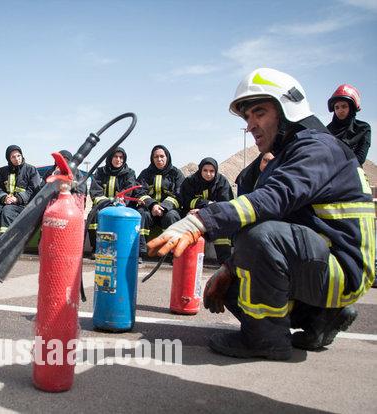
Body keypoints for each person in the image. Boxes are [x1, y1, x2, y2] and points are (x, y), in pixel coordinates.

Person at [147, 68, 374, 360]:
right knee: (228, 287)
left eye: (259, 113)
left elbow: (271, 202)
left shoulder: (317, 147)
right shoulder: (290, 153)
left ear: (287, 109)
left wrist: (199, 221)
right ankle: (320, 319)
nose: (251, 125)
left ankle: (266, 340)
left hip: (343, 270)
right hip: (317, 262)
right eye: (247, 118)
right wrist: (229, 268)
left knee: (259, 237)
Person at [180, 157, 234, 264]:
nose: (208, 174)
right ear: (200, 170)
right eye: (205, 170)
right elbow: (186, 201)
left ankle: (225, 263)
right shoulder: (190, 181)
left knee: (223, 226)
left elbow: (225, 205)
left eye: (211, 171)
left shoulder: (222, 182)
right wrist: (208, 204)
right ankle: (188, 260)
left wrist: (204, 210)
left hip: (215, 217)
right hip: (193, 215)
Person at [0, 145, 41, 249]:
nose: (17, 159)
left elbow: (33, 189)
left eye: (18, 156)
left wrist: (17, 198)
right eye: (13, 157)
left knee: (8, 211)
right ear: (9, 159)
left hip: (24, 205)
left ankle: (6, 245)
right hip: (5, 202)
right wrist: (4, 197)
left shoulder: (31, 170)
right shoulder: (2, 171)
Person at [87, 147, 138, 256]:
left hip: (122, 206)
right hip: (102, 206)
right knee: (93, 215)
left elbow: (129, 190)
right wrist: (107, 203)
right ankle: (96, 248)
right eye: (115, 157)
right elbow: (95, 191)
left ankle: (122, 249)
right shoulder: (100, 172)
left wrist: (118, 203)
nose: (118, 160)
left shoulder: (130, 173)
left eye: (121, 157)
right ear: (110, 158)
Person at [135, 145, 184, 258]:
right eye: (156, 157)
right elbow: (139, 192)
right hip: (149, 210)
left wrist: (163, 207)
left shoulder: (176, 174)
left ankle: (173, 254)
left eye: (162, 156)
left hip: (168, 210)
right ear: (152, 158)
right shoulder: (145, 174)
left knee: (172, 216)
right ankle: (141, 252)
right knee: (141, 214)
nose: (159, 159)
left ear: (167, 157)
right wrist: (152, 205)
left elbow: (179, 195)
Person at [327, 84, 371, 165]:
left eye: (344, 106)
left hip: (352, 171)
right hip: (328, 170)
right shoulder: (327, 130)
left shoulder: (363, 128)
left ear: (351, 108)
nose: (340, 110)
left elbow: (360, 158)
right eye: (337, 107)